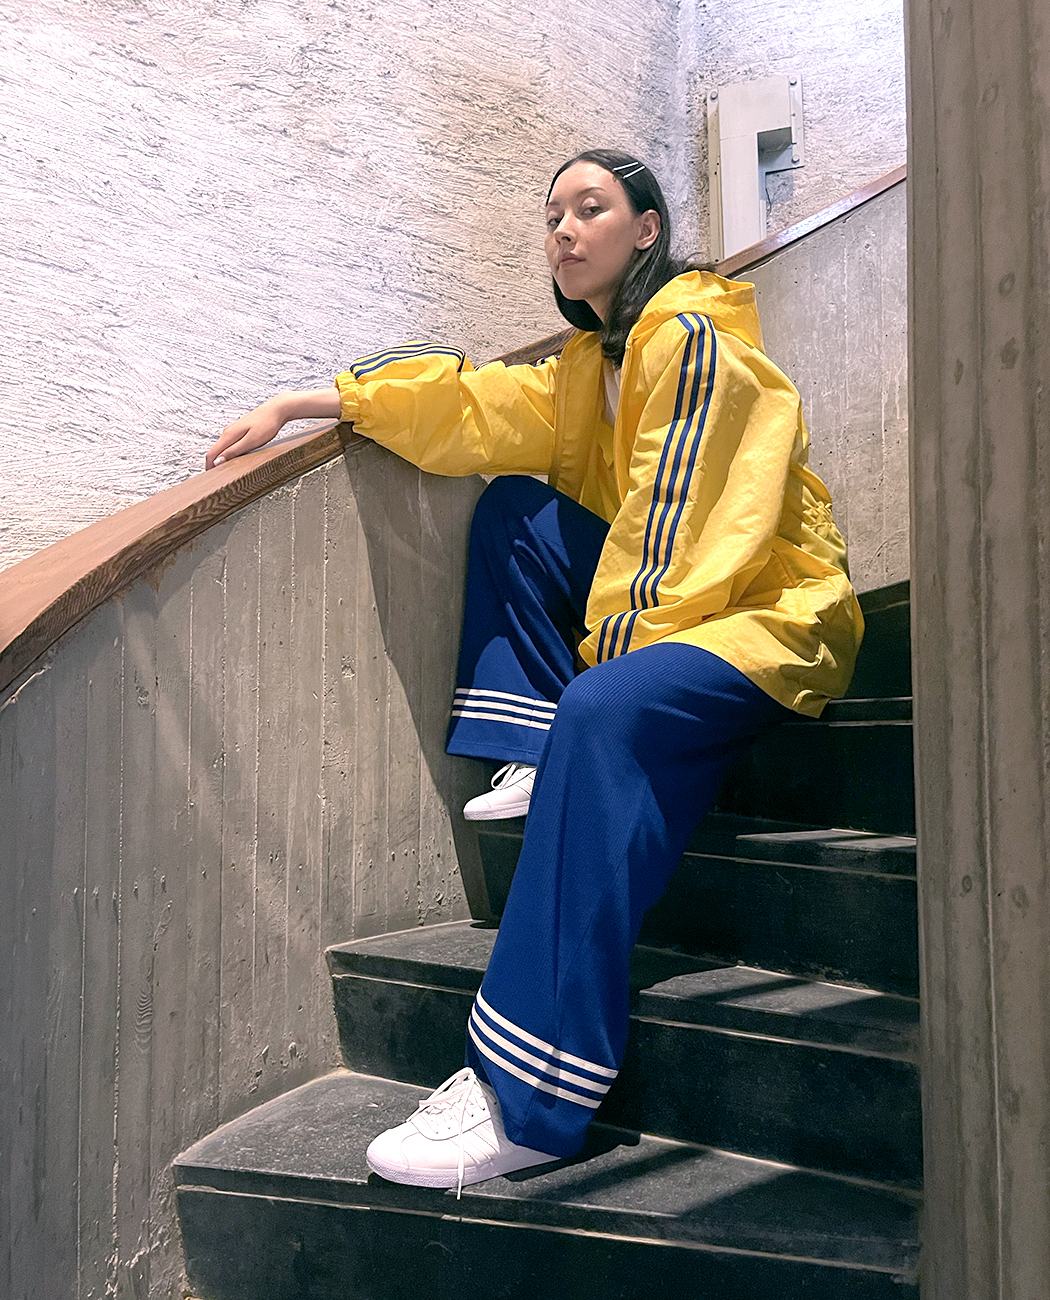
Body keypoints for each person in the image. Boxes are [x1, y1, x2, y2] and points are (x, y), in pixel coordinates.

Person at [206, 148, 864, 1195]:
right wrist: (312, 401)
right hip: (686, 605)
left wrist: (598, 693)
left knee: (603, 713)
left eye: (590, 206)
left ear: (646, 230)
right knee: (514, 504)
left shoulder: (690, 335)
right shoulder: (583, 370)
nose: (562, 227)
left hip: (763, 609)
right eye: (551, 211)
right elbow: (469, 407)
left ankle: (529, 1095)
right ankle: (527, 745)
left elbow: (685, 528)